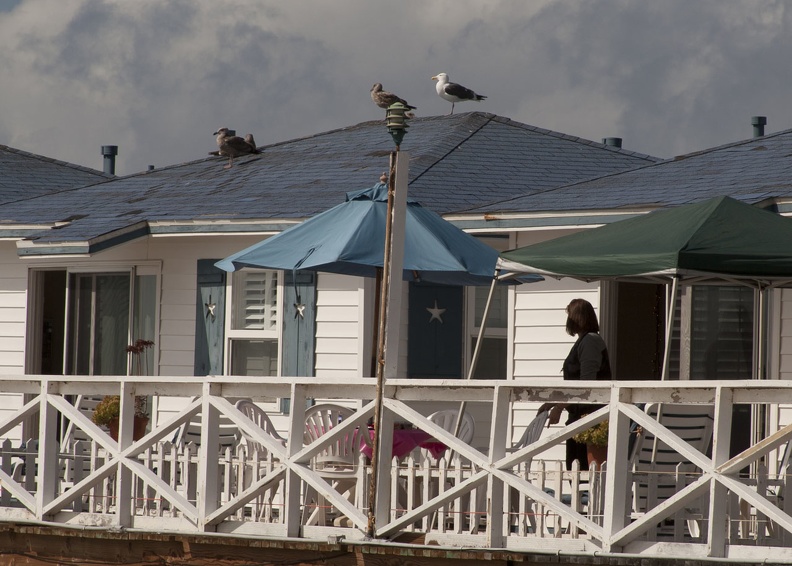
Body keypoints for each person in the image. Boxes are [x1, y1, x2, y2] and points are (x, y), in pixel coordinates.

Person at [539, 298, 612, 470]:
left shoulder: (590, 341)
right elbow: (573, 383)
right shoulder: (584, 341)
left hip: (589, 419)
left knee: (582, 472)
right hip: (579, 417)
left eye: (570, 316)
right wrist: (552, 403)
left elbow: (585, 384)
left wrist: (558, 408)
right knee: (574, 469)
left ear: (577, 318)